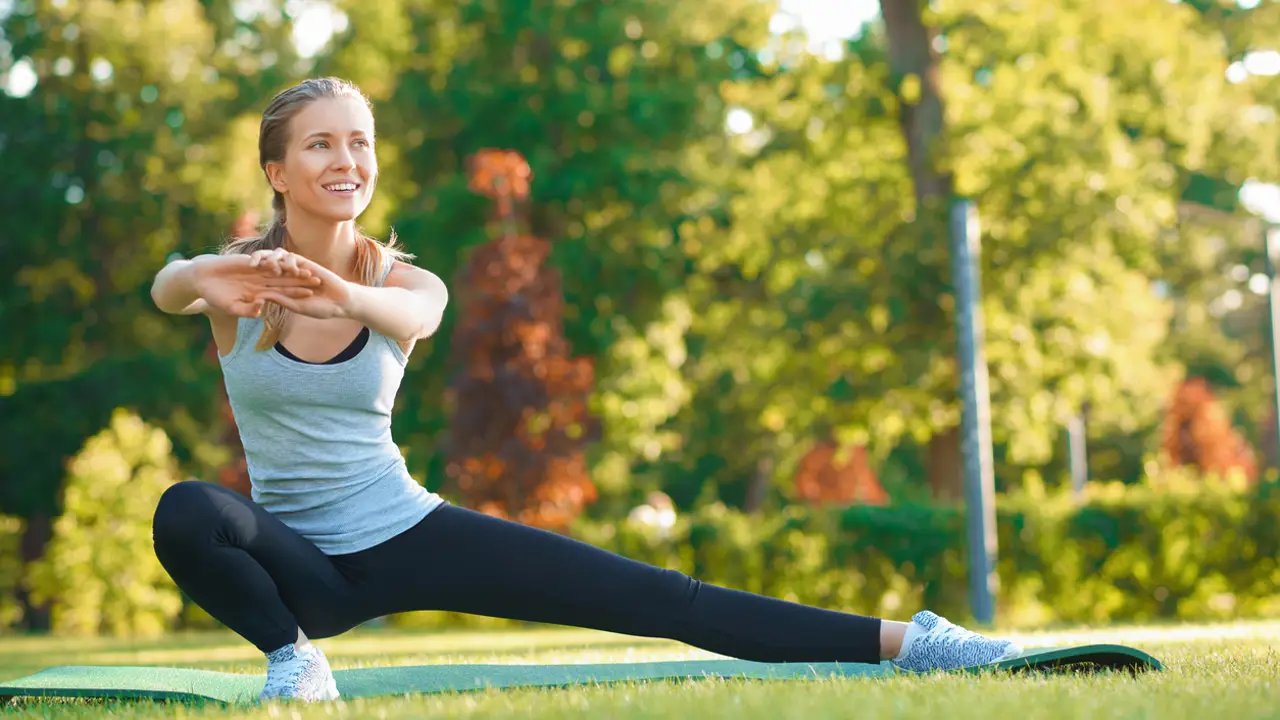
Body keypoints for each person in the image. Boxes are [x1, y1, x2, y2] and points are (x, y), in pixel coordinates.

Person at [148, 77, 1022, 704]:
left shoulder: (407, 286)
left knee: (656, 598)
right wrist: (199, 273)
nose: (348, 159)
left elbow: (405, 317)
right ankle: (294, 661)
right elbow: (167, 286)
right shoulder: (242, 286)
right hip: (294, 565)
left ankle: (914, 642)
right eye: (322, 143)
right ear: (278, 170)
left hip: (403, 533)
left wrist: (336, 292)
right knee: (187, 510)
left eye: (361, 140)